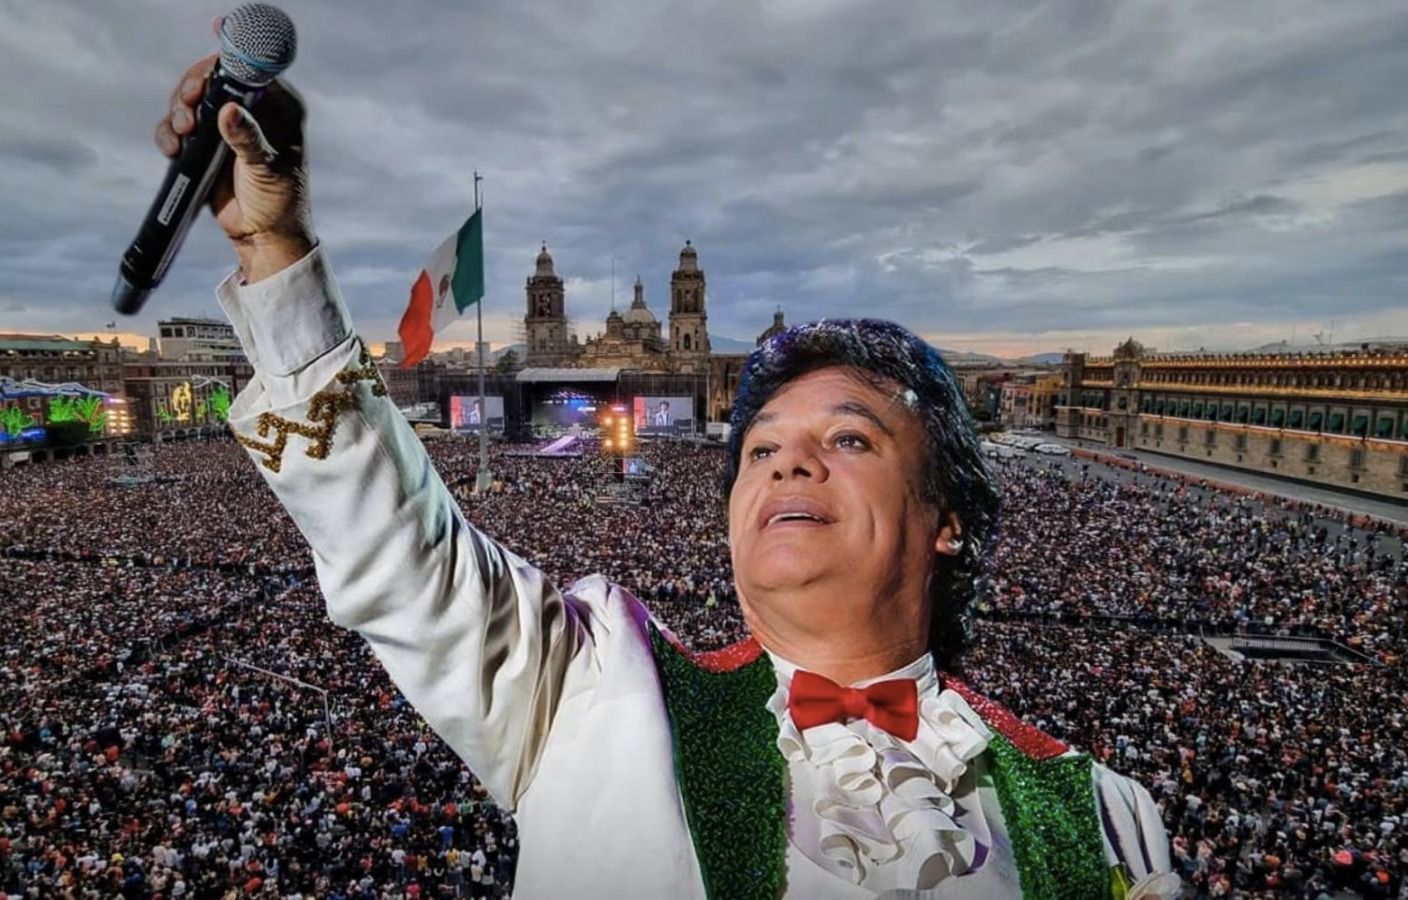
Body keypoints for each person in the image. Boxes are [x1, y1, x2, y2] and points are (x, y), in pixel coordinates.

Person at [156, 26, 1178, 899]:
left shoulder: (1103, 820)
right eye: (761, 447)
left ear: (946, 513)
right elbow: (397, 552)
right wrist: (275, 253)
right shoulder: (597, 690)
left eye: (850, 437)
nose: (786, 464)